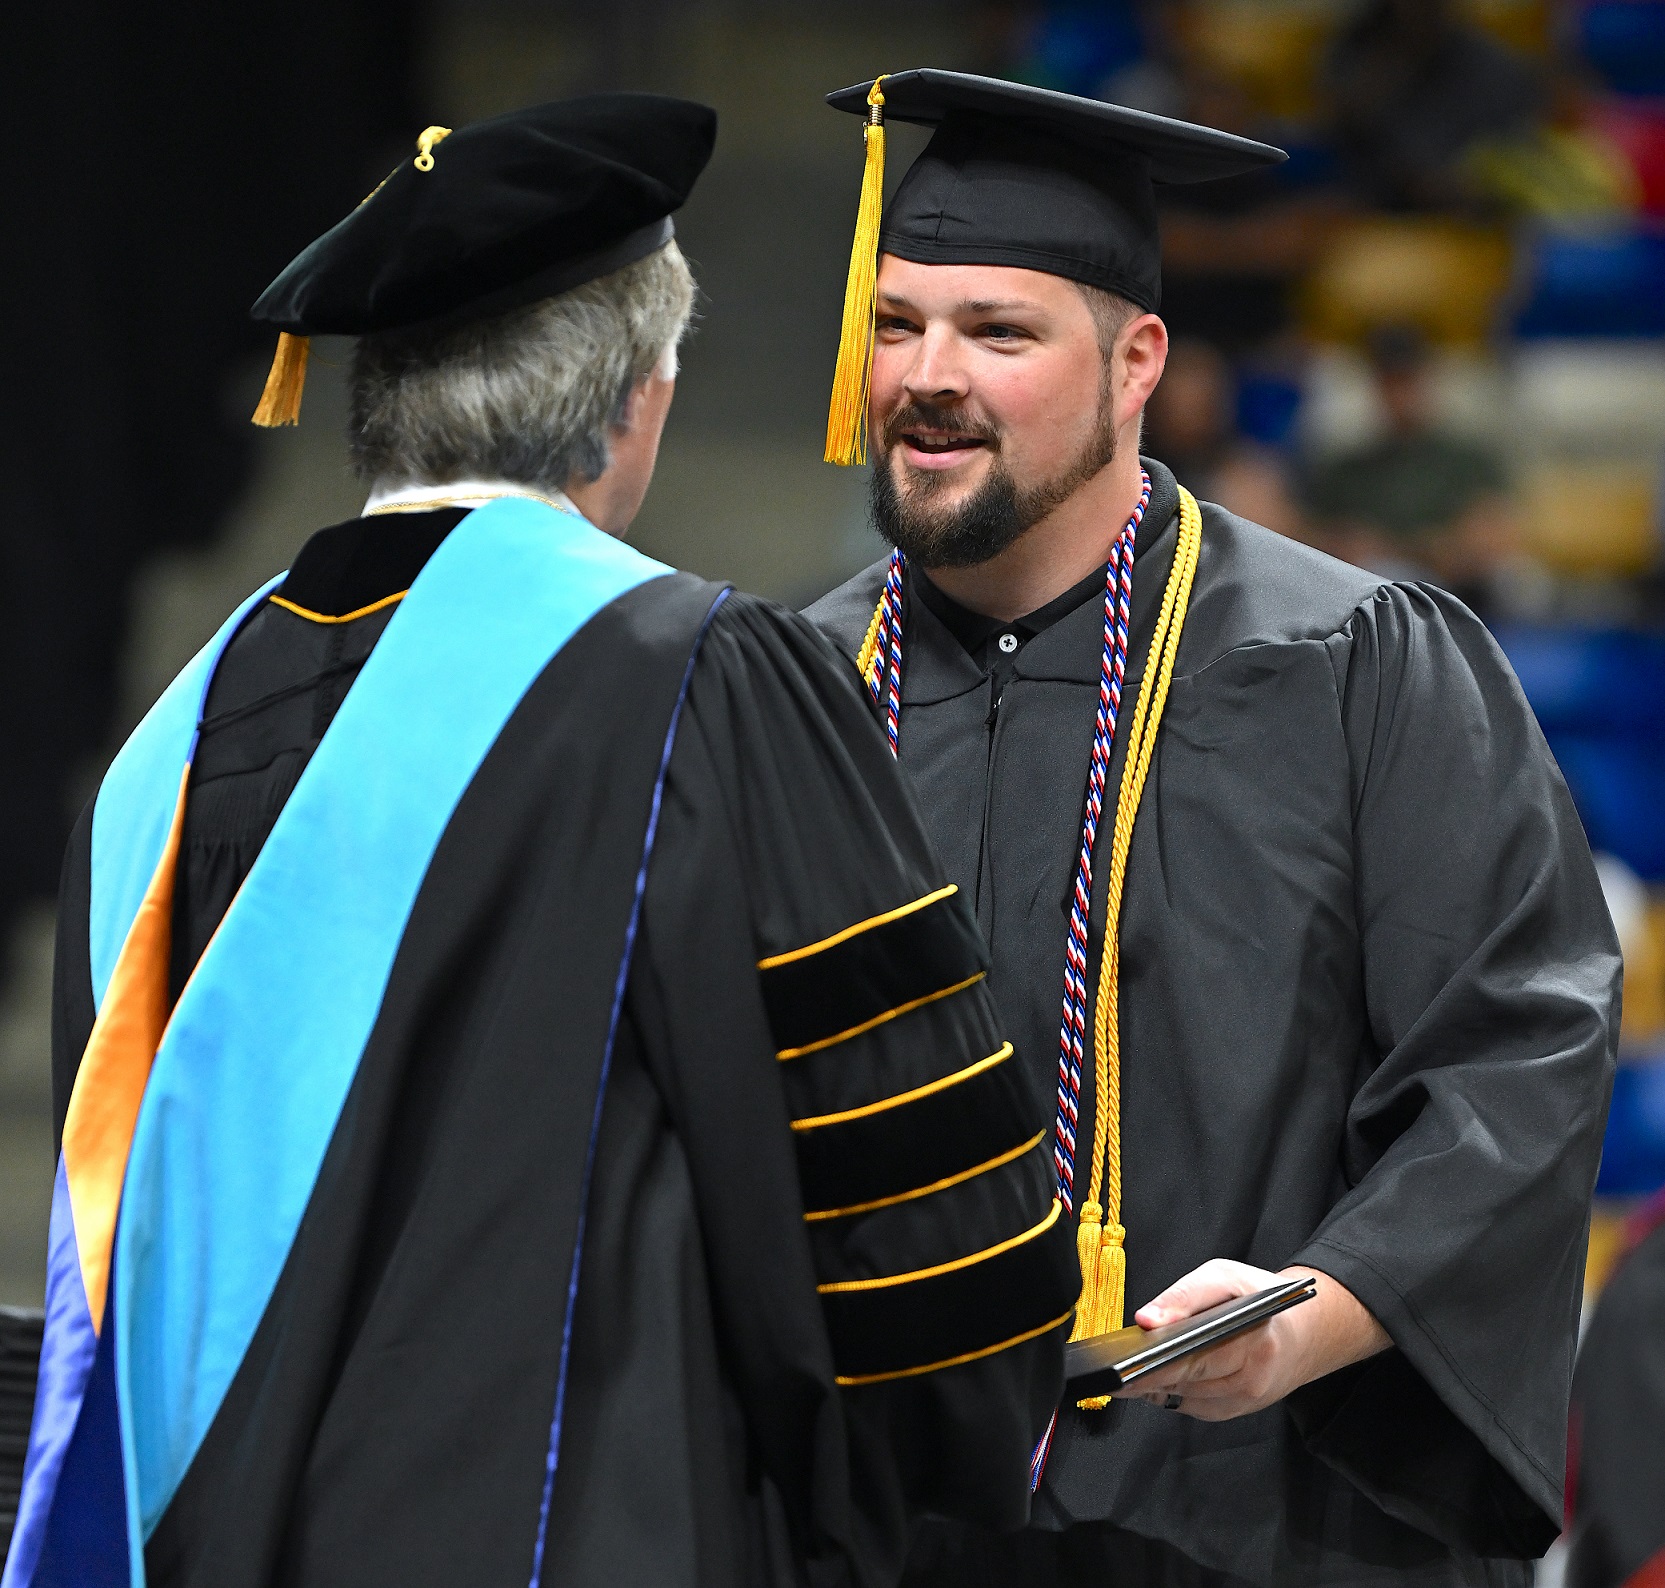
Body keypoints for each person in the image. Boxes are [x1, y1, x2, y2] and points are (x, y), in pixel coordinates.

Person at [5, 96, 1077, 1588]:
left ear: (376, 392)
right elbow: (924, 1230)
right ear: (639, 392)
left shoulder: (165, 754)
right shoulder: (701, 683)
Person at [805, 69, 1619, 1587]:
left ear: (1136, 365)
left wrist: (1322, 1310)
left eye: (998, 332)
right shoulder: (792, 693)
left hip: (1259, 1511)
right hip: (888, 1521)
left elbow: (1517, 1047)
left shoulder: (1352, 661)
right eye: (898, 321)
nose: (929, 374)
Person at [1304, 323, 1522, 613]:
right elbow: (1311, 540)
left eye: (1407, 380)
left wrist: (1436, 550)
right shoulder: (1347, 470)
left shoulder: (1468, 461)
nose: (1400, 396)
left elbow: (1491, 535)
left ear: (1427, 380)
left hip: (1458, 602)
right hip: (1370, 606)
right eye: (1390, 382)